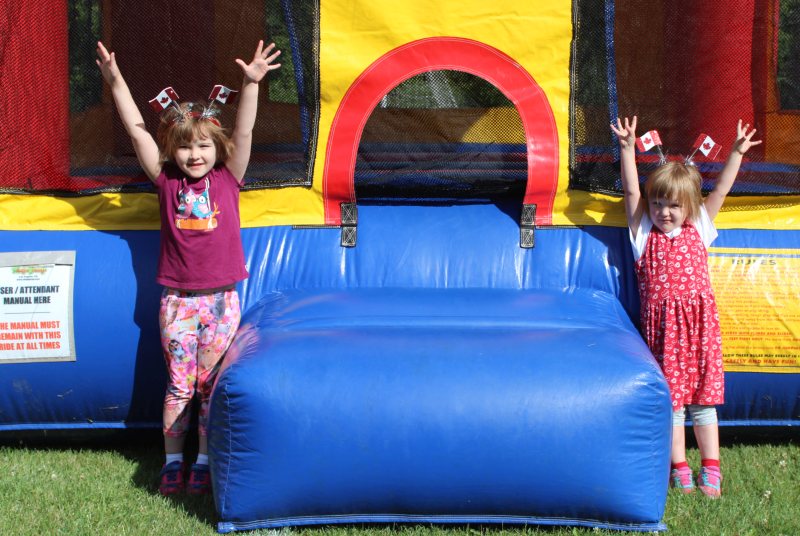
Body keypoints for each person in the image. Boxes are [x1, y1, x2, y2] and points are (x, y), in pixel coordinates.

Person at [96, 40, 281, 495]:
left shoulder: (228, 177)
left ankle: (202, 461)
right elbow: (137, 128)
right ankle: (172, 462)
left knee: (209, 387)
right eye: (185, 148)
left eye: (202, 146)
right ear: (172, 152)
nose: (194, 155)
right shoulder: (166, 181)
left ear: (216, 147)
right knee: (179, 386)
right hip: (178, 302)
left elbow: (245, 133)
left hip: (221, 301)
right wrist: (115, 81)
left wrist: (251, 85)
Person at [611, 116, 761, 498]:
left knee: (704, 403)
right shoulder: (643, 233)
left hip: (700, 331)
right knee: (674, 406)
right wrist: (627, 149)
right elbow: (631, 194)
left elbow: (722, 190)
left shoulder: (700, 227)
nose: (663, 212)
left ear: (690, 205)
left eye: (673, 205)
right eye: (658, 203)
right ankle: (679, 466)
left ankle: (711, 467)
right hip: (664, 335)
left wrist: (736, 154)